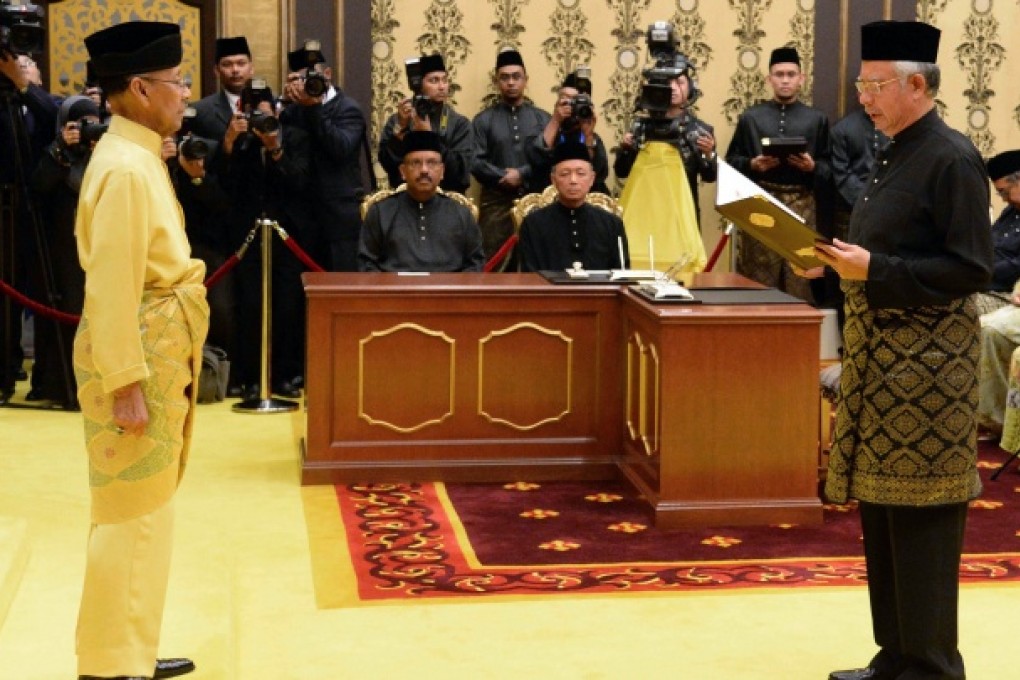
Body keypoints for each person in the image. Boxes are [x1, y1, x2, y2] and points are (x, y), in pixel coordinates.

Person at [810, 20, 993, 680]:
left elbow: (973, 270)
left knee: (923, 527)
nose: (863, 96)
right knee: (884, 518)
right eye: (861, 83)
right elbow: (890, 250)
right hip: (884, 367)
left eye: (875, 84)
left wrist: (876, 271)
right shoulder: (892, 149)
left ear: (918, 85)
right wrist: (839, 263)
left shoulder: (951, 158)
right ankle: (897, 658)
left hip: (930, 374)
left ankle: (933, 667)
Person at [75, 20, 207, 680]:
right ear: (136, 88)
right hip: (138, 354)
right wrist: (124, 379)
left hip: (158, 344)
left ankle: (129, 646)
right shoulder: (126, 168)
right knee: (130, 511)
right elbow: (112, 287)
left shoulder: (138, 154)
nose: (186, 94)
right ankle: (108, 663)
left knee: (148, 511)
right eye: (177, 82)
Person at [221, 87, 313, 400]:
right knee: (250, 305)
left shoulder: (296, 138)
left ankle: (286, 374)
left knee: (287, 305)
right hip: (249, 236)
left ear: (276, 110)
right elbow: (229, 188)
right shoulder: (242, 143)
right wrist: (231, 145)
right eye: (256, 115)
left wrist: (276, 150)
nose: (264, 121)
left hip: (288, 235)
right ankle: (251, 376)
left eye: (267, 113)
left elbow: (300, 182)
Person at [726, 46, 830, 303]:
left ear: (801, 78)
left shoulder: (817, 120)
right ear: (769, 79)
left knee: (800, 274)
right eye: (779, 74)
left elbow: (831, 168)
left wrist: (812, 167)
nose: (785, 80)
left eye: (791, 74)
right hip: (761, 202)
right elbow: (730, 162)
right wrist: (753, 165)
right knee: (760, 274)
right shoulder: (751, 118)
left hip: (802, 204)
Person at [26, 95, 105, 408]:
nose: (85, 130)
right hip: (62, 250)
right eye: (78, 124)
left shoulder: (104, 156)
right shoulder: (53, 153)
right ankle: (62, 385)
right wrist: (61, 149)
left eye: (91, 122)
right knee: (66, 311)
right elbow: (39, 187)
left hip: (98, 247)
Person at [0, 52, 59, 400]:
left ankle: (46, 379)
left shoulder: (49, 104)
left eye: (24, 66)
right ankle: (5, 372)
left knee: (42, 292)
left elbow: (54, 117)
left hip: (39, 214)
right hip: (4, 213)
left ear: (38, 72)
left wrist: (23, 87)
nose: (16, 70)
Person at [280, 41, 367, 272]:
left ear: (327, 74)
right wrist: (284, 103)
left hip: (338, 222)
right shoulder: (292, 111)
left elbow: (340, 149)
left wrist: (313, 108)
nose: (309, 83)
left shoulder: (348, 108)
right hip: (301, 219)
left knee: (340, 290)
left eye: (314, 76)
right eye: (301, 79)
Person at [359, 130, 484, 272]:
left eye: (431, 163)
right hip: (396, 291)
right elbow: (366, 263)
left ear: (442, 171)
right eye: (416, 163)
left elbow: (476, 263)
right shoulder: (380, 212)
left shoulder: (461, 213)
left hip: (447, 292)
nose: (424, 170)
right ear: (403, 171)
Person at [613, 57, 717, 222]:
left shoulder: (700, 131)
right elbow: (621, 171)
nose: (673, 88)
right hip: (644, 211)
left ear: (690, 87)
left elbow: (710, 177)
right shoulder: (640, 127)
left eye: (679, 82)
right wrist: (626, 149)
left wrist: (708, 154)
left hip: (682, 215)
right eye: (667, 83)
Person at [470, 49, 551, 259]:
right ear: (497, 81)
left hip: (535, 204)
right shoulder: (483, 120)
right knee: (493, 266)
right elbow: (475, 162)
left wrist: (522, 174)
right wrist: (503, 176)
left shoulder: (543, 120)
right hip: (496, 207)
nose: (511, 82)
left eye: (516, 76)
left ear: (526, 80)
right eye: (505, 77)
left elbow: (551, 161)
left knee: (536, 263)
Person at [519, 139, 628, 272]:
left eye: (580, 173)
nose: (573, 180)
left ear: (592, 179)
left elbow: (622, 275)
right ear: (553, 180)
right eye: (565, 174)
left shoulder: (611, 224)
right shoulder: (533, 224)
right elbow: (529, 277)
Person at [377, 52, 473, 193]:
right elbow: (388, 166)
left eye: (444, 80)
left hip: (447, 200)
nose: (441, 87)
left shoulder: (459, 123)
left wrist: (429, 136)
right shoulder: (400, 119)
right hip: (406, 199)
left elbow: (460, 175)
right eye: (434, 80)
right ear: (419, 84)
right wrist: (401, 131)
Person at [526, 72, 611, 195]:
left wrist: (588, 134)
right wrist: (555, 121)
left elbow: (598, 174)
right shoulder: (544, 131)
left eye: (576, 101)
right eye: (566, 100)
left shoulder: (592, 138)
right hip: (548, 200)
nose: (572, 106)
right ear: (557, 103)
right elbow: (536, 160)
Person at [974, 150, 1020, 315]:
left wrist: (979, 272)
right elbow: (988, 243)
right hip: (980, 285)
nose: (1003, 199)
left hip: (1006, 295)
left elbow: (1016, 266)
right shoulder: (1011, 211)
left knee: (958, 311)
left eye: (1004, 192)